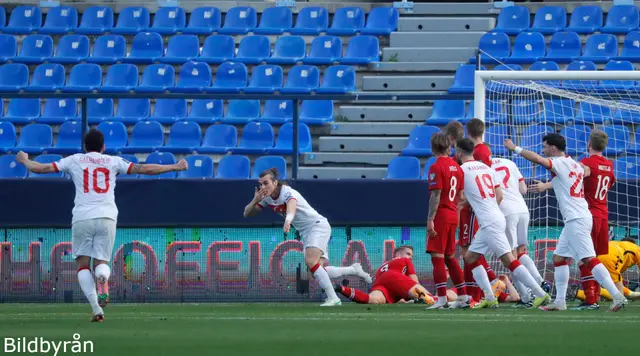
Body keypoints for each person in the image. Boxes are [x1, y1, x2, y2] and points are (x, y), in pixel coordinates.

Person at [16, 129, 188, 322]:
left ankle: (96, 308)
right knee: (101, 263)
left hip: (82, 217)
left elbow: (41, 169)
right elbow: (143, 169)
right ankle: (102, 279)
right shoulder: (113, 161)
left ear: (85, 147)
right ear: (103, 147)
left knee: (82, 266)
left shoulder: (74, 160)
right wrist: (175, 166)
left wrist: (24, 160)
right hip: (107, 216)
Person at [504, 133, 628, 311]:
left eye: (545, 146)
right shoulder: (575, 164)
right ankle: (560, 302)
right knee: (559, 258)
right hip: (579, 216)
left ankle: (617, 296)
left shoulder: (562, 163)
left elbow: (538, 159)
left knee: (588, 258)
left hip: (577, 218)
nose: (543, 149)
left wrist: (515, 148)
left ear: (553, 148)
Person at [243, 168, 372, 307]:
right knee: (317, 269)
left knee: (311, 262)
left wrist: (288, 221)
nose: (262, 187)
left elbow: (291, 207)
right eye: (260, 184)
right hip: (307, 232)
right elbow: (247, 214)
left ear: (275, 182)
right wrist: (255, 200)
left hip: (317, 226)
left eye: (266, 183)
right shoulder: (266, 198)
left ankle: (334, 298)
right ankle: (353, 269)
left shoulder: (287, 191)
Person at [456, 138, 550, 309]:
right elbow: (499, 196)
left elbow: (461, 196)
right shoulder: (487, 168)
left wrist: (471, 204)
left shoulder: (461, 171)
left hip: (489, 221)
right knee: (470, 257)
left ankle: (540, 293)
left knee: (509, 260)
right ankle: (490, 297)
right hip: (496, 217)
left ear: (459, 153)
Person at [530, 130, 615, 310]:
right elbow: (609, 183)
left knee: (586, 259)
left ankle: (594, 299)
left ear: (589, 144)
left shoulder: (585, 163)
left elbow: (571, 177)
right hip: (602, 213)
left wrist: (545, 186)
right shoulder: (609, 165)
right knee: (563, 257)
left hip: (585, 212)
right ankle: (567, 301)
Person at [492, 156, 550, 308]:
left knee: (510, 258)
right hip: (523, 210)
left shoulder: (483, 166)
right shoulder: (509, 162)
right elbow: (523, 189)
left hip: (506, 211)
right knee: (521, 252)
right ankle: (540, 282)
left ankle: (525, 296)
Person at [425, 133, 468, 309]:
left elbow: (436, 195)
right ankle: (464, 297)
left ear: (433, 147)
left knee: (437, 258)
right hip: (452, 214)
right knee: (450, 258)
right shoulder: (457, 167)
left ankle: (441, 299)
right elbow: (461, 195)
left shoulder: (436, 167)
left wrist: (430, 219)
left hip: (441, 215)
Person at [460, 119, 498, 303]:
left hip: (477, 208)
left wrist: (467, 201)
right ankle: (490, 288)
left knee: (469, 249)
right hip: (487, 207)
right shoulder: (485, 150)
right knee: (472, 251)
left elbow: (479, 182)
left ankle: (479, 292)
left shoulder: (478, 153)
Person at [335, 246, 434, 304]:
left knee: (372, 299)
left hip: (380, 282)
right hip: (394, 277)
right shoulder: (404, 260)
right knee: (428, 298)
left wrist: (403, 297)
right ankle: (444, 300)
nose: (410, 257)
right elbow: (413, 280)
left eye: (411, 255)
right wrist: (416, 293)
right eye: (408, 254)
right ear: (398, 255)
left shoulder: (383, 266)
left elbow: (396, 286)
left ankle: (342, 289)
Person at [574, 239, 640, 302]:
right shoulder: (635, 248)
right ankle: (620, 300)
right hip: (610, 259)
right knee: (617, 292)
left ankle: (577, 293)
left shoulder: (616, 244)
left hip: (594, 258)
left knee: (596, 291)